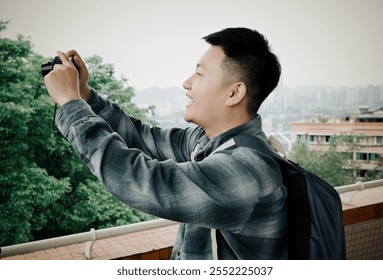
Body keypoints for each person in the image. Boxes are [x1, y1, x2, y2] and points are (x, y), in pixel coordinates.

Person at [44, 27, 287, 260]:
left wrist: (70, 103)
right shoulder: (207, 140)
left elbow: (140, 180)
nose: (187, 83)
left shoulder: (248, 169)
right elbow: (142, 138)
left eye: (200, 74)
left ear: (234, 93)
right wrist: (85, 94)